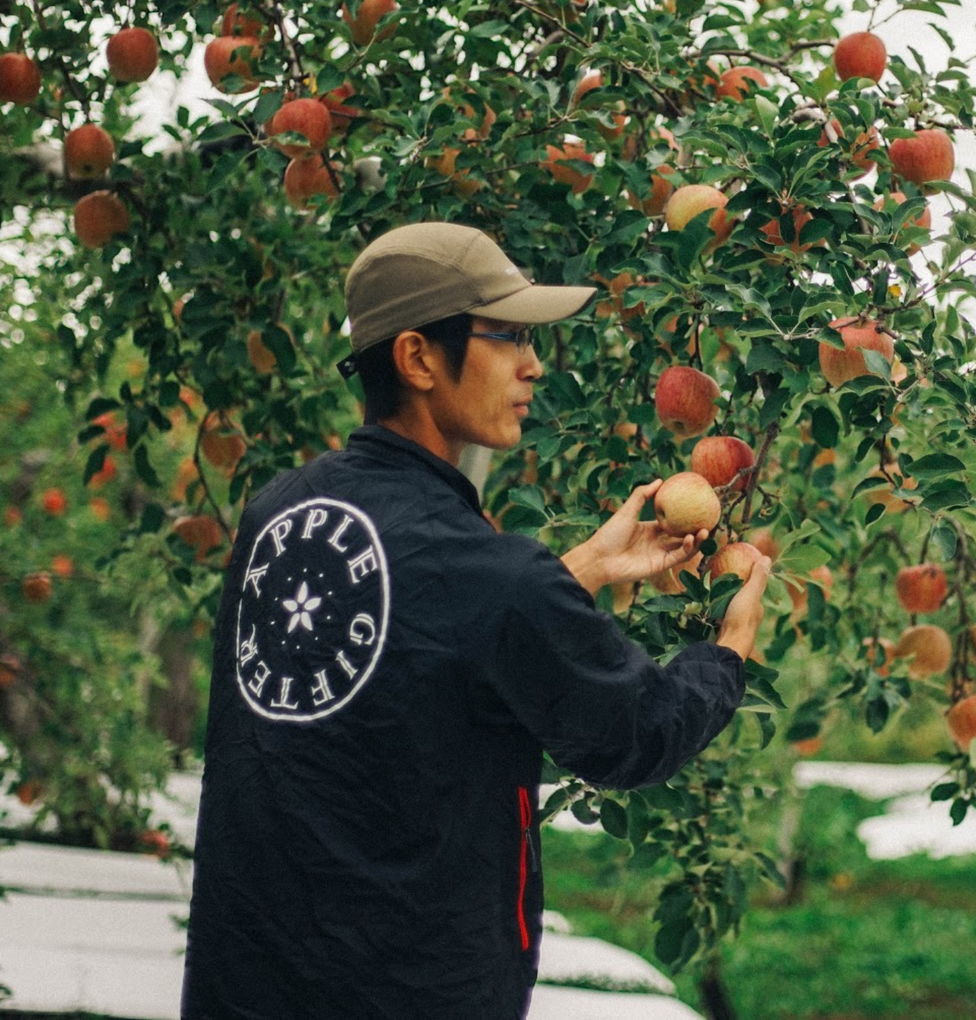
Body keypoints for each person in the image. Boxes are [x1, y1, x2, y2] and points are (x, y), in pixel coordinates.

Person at [180, 222, 769, 1018]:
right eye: (507, 337)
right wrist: (728, 649)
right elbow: (638, 734)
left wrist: (578, 572)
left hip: (247, 981)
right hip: (411, 989)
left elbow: (409, 658)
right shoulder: (488, 575)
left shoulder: (277, 514)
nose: (533, 365)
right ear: (419, 358)